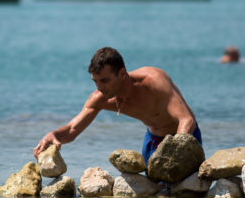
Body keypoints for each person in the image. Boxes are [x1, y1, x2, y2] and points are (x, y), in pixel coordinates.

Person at [33, 47, 202, 166]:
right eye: (95, 81)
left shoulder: (154, 81)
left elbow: (186, 119)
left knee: (186, 194)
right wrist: (53, 135)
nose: (99, 87)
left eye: (104, 81)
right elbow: (71, 130)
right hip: (152, 140)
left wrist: (174, 152)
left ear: (122, 74)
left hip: (184, 137)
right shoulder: (100, 99)